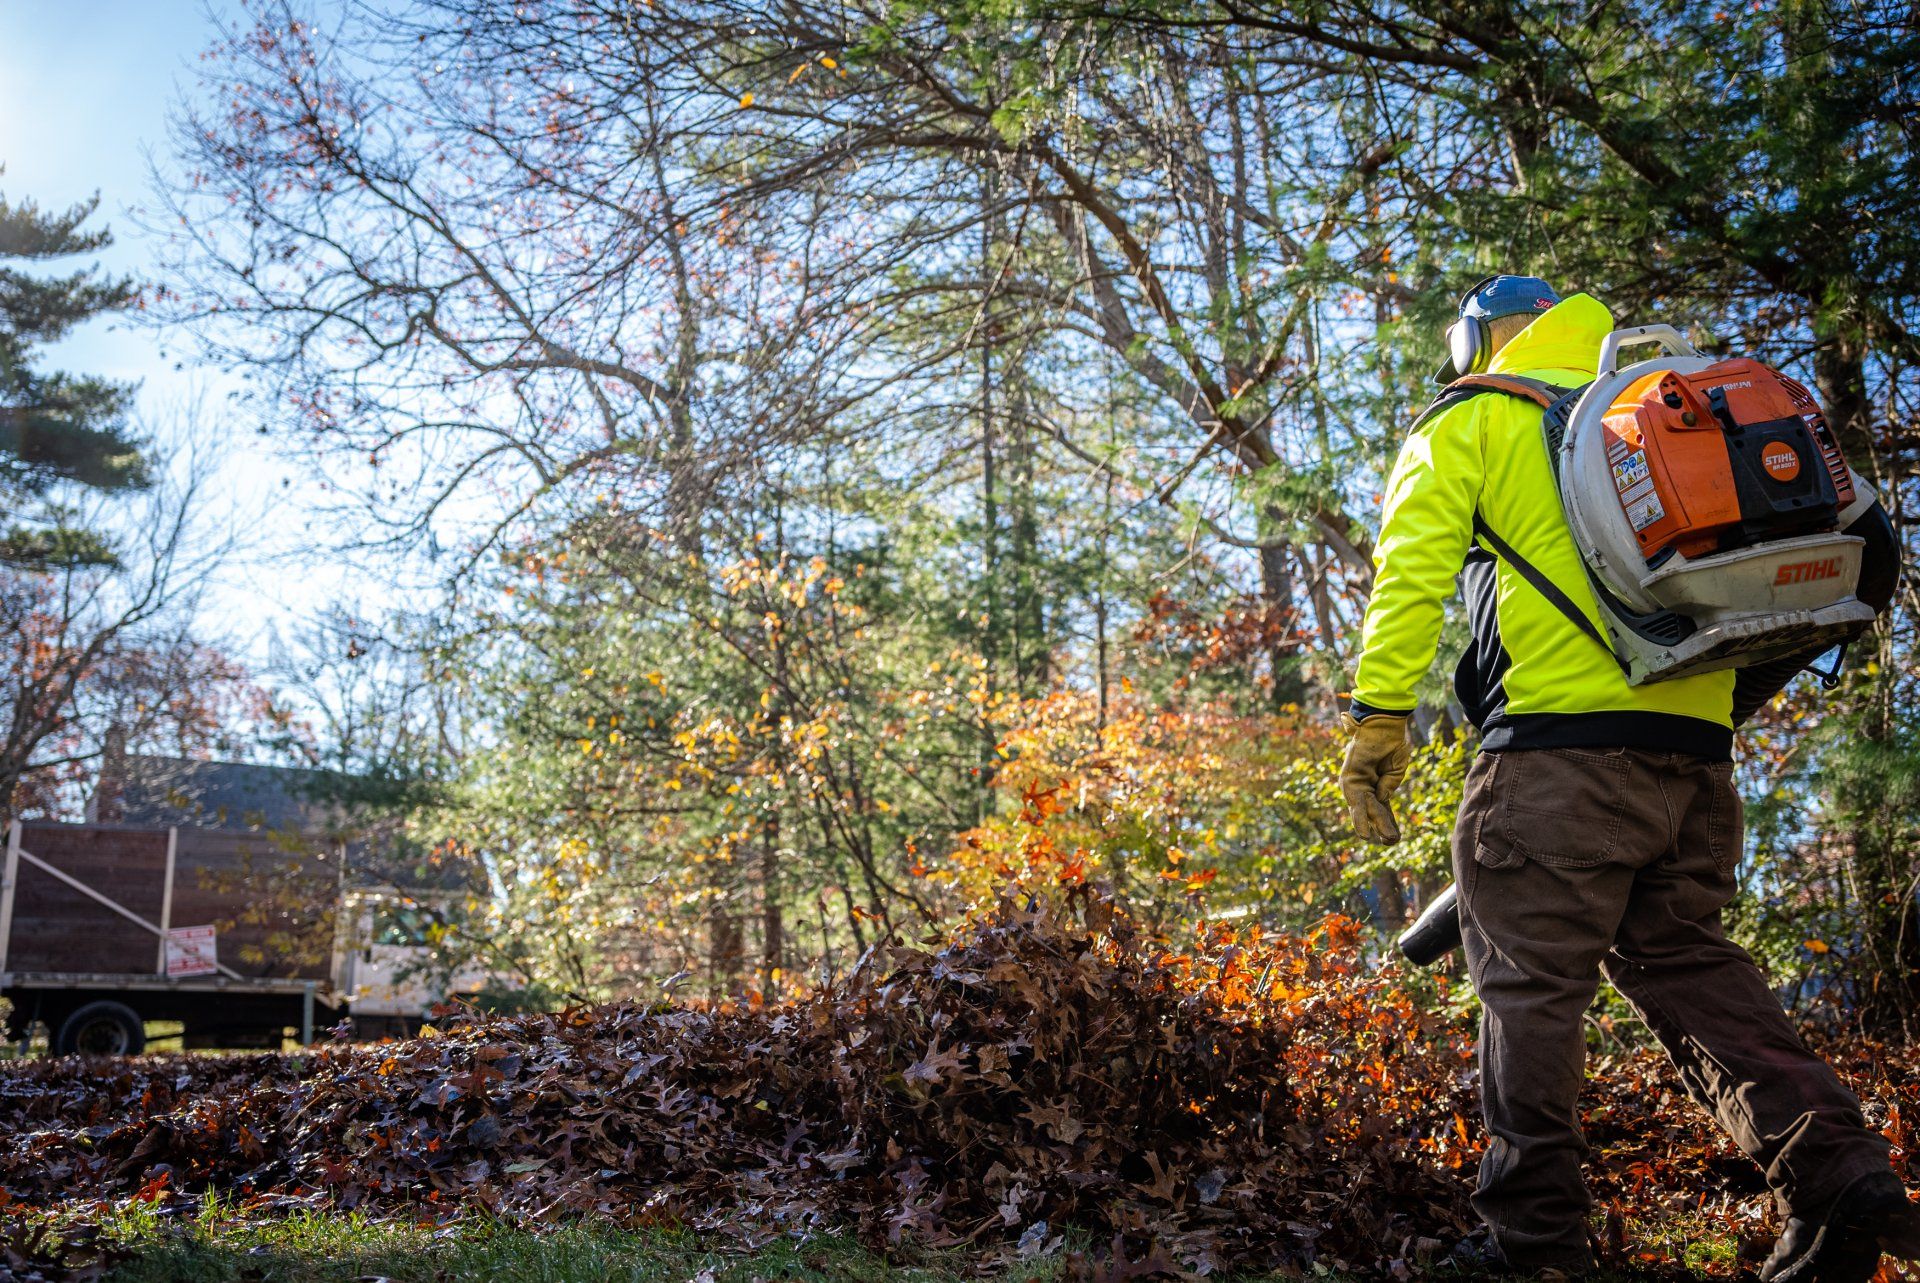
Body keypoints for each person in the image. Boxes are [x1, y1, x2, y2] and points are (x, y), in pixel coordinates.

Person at [1339, 275, 1917, 1281]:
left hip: (1552, 763)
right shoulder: (1664, 399)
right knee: (1688, 961)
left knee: (1529, 988)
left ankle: (1534, 1246)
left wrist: (1377, 722)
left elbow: (1412, 568)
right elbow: (1860, 556)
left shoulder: (1476, 415)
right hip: (1691, 759)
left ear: (1481, 341)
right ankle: (1841, 1174)